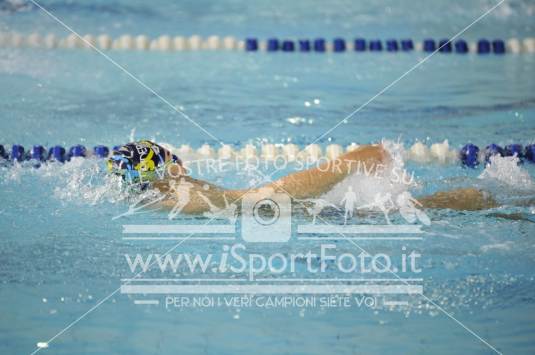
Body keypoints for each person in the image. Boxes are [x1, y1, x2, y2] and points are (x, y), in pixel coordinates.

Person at [108, 141, 498, 215]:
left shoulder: (153, 201)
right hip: (277, 206)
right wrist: (344, 164)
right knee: (417, 206)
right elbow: (260, 197)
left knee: (394, 210)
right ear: (167, 170)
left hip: (278, 211)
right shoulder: (179, 191)